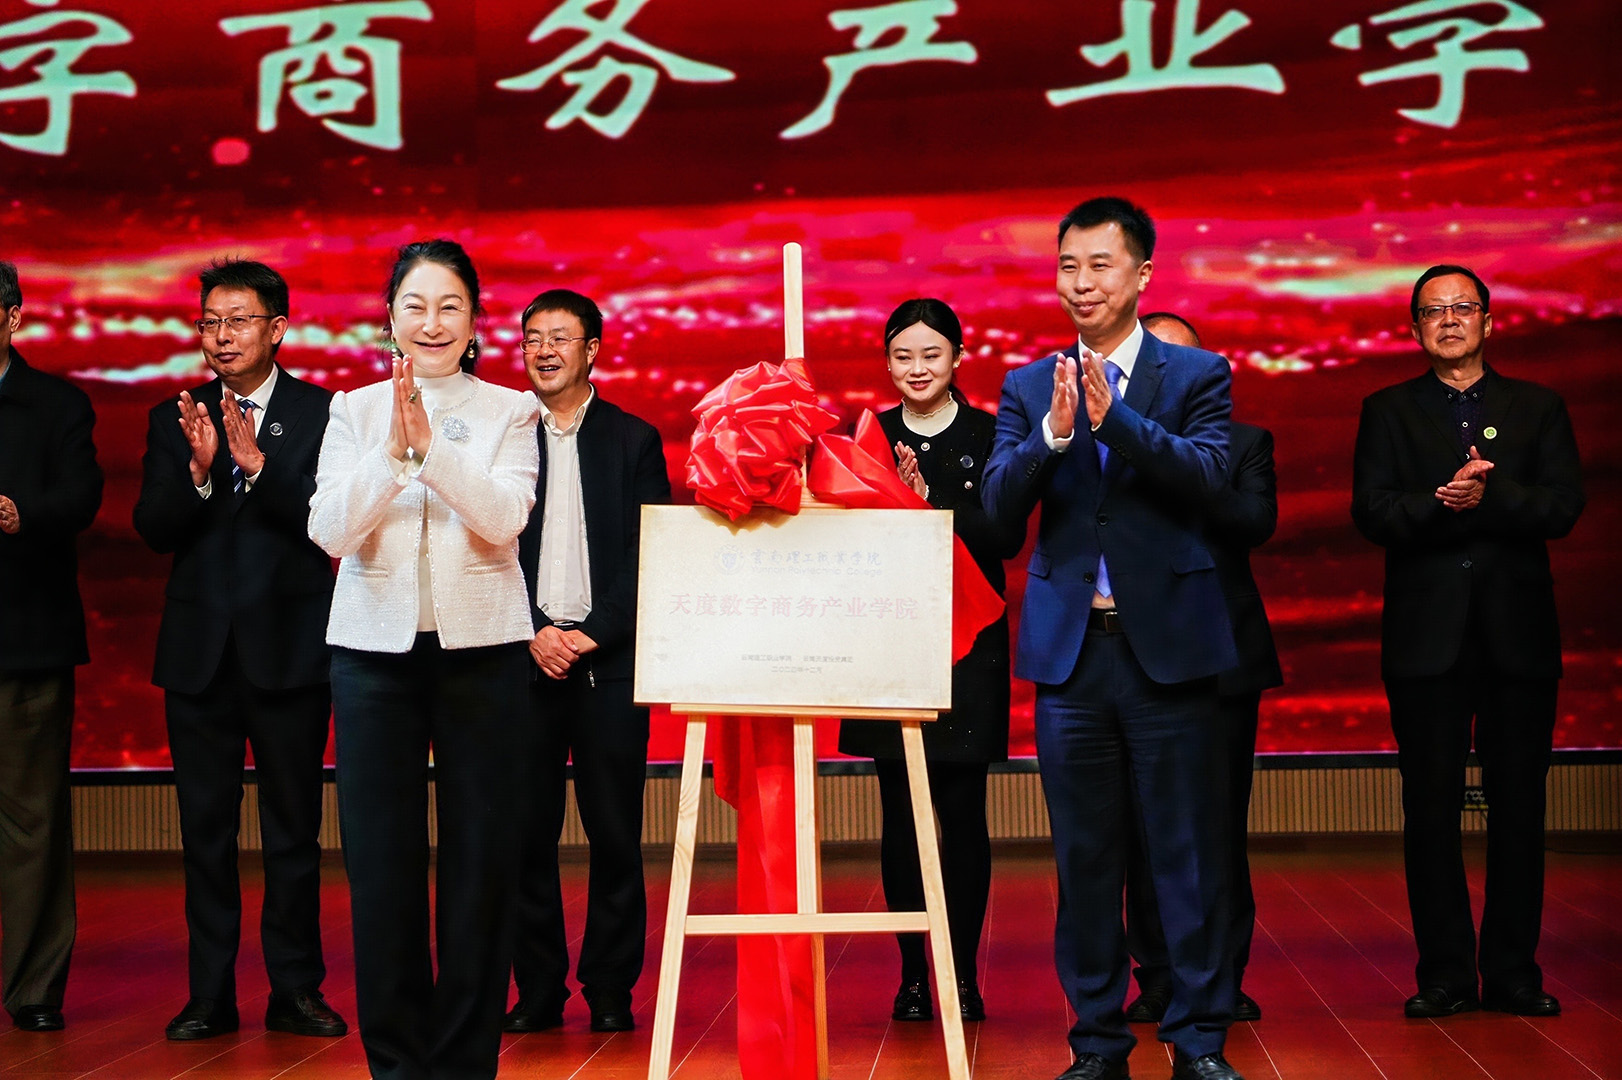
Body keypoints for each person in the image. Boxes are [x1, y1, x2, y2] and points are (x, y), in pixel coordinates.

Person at [982, 197, 1243, 1080]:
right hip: (1073, 657)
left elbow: (1210, 478)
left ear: (1142, 274)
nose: (1082, 282)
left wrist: (1116, 420)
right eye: (1069, 266)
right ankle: (1096, 1043)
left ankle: (1198, 1041)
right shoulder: (1029, 387)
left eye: (1100, 264)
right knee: (1085, 860)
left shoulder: (1197, 374)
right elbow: (997, 516)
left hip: (1168, 650)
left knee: (1183, 856)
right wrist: (1055, 434)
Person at [308, 239, 540, 1079]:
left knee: (481, 863)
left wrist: (433, 452)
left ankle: (466, 1061)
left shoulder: (512, 410)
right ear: (390, 318)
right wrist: (393, 451)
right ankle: (398, 1063)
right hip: (373, 661)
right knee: (382, 867)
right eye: (416, 306)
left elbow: (504, 520)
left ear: (475, 322)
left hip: (484, 656)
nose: (432, 323)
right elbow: (330, 530)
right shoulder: (352, 409)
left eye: (450, 307)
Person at [1352, 264, 1583, 1020]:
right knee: (1430, 811)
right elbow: (1372, 512)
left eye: (1462, 307)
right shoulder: (1387, 410)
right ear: (1415, 327)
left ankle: (1513, 971)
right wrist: (1441, 502)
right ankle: (1445, 974)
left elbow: (1563, 507)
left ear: (1488, 319)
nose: (1449, 320)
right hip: (1426, 642)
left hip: (1520, 639)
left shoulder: (1539, 407)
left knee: (1520, 810)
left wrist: (1492, 493)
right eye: (1433, 310)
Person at [132, 259, 344, 1042]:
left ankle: (295, 990)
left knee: (293, 834)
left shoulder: (325, 414)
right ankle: (209, 996)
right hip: (199, 659)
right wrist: (198, 475)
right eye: (210, 322)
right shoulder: (175, 416)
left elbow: (332, 525)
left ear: (277, 328)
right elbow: (153, 529)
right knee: (204, 836)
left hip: (289, 652)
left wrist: (257, 467)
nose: (222, 336)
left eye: (239, 320)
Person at [837, 298, 1023, 1024]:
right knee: (900, 817)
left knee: (962, 813)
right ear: (887, 362)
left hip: (968, 644)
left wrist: (927, 502)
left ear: (957, 359)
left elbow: (1005, 535)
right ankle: (914, 976)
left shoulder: (992, 433)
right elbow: (841, 538)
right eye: (903, 356)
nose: (917, 369)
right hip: (889, 641)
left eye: (932, 355)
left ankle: (961, 976)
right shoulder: (867, 435)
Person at [504, 289, 669, 1034]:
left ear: (592, 349)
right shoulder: (504, 435)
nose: (543, 351)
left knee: (615, 837)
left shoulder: (633, 439)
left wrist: (590, 632)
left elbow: (650, 552)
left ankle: (609, 989)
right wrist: (535, 631)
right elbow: (486, 546)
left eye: (559, 337)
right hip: (524, 662)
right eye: (532, 338)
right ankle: (537, 989)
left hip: (608, 666)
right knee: (524, 837)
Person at [1122, 313, 1282, 1027]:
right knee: (1142, 829)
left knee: (1218, 828)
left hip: (1222, 662)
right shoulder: (1108, 445)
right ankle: (1158, 977)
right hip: (1134, 660)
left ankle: (1221, 976)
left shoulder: (1245, 444)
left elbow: (1254, 524)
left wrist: (1187, 461)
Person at [0, 260, 102, 1033]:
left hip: (24, 641)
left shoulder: (58, 404)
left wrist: (19, 514)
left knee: (32, 822)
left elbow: (82, 498)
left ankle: (34, 989)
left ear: (11, 317)